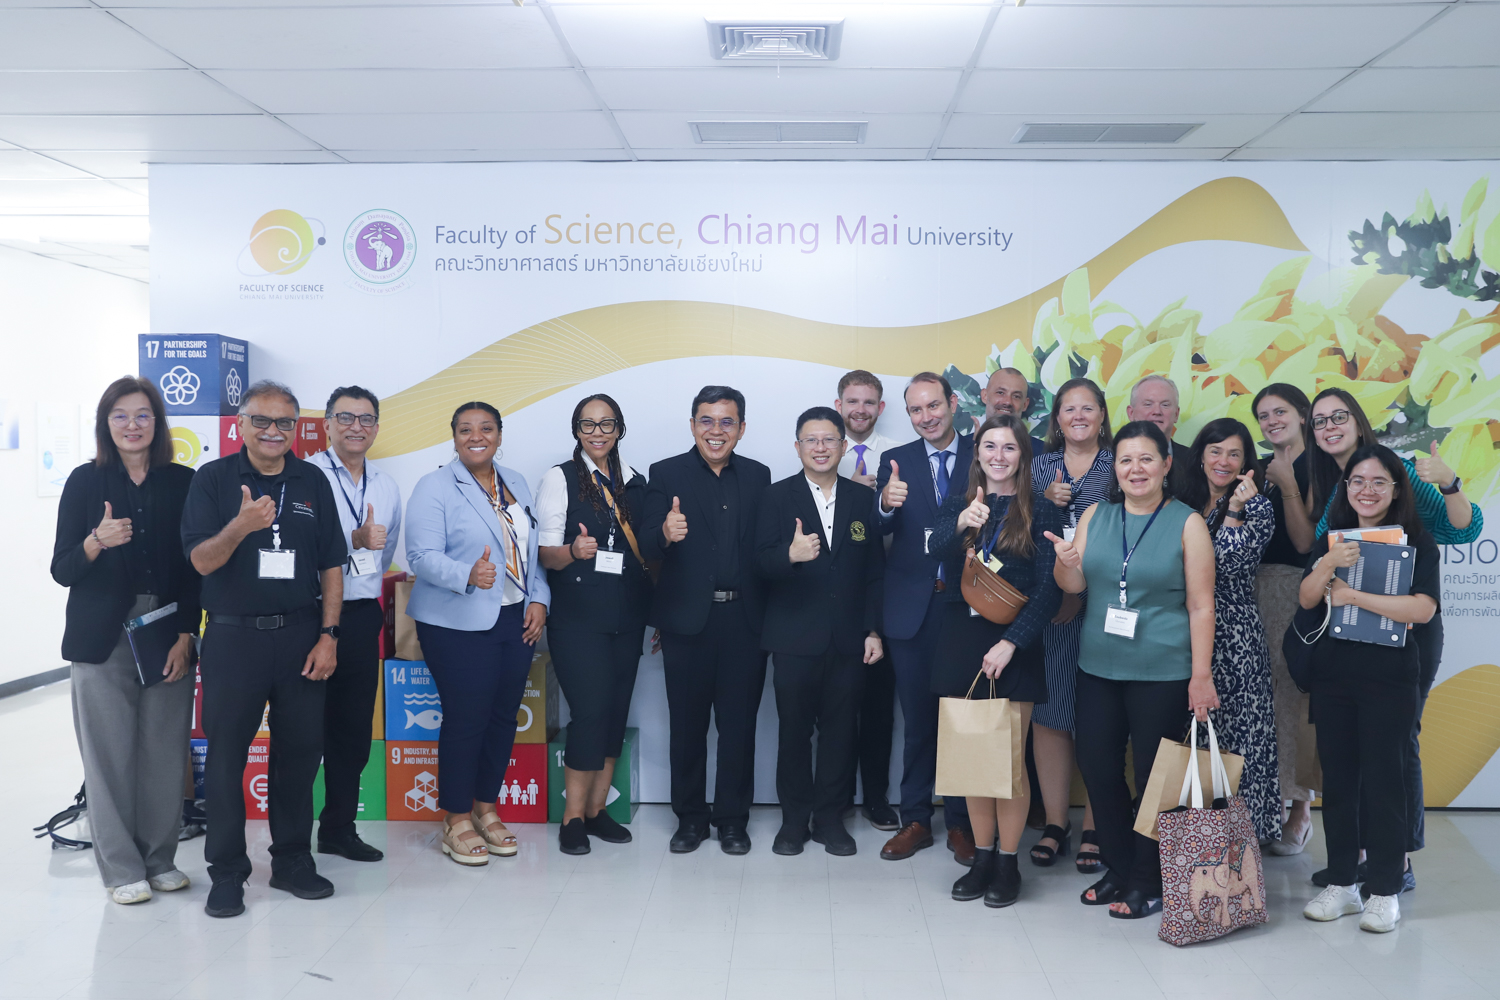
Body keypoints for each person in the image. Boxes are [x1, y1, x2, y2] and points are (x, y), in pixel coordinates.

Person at [181, 381, 348, 918]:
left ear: (296, 427)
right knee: (226, 759)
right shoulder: (212, 479)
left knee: (298, 754)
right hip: (233, 639)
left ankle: (293, 860)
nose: (273, 432)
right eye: (261, 421)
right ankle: (228, 871)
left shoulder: (312, 480)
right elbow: (201, 561)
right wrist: (241, 526)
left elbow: (331, 564)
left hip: (301, 635)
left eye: (285, 423)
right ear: (241, 424)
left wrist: (329, 634)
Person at [1305, 387, 1481, 887]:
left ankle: (1397, 861)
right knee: (1360, 750)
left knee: (1398, 745)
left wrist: (1449, 482)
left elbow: (1463, 529)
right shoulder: (1340, 487)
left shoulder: (1399, 472)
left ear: (1358, 420)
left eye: (1338, 416)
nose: (1329, 427)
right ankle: (1364, 855)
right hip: (1355, 639)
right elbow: (1322, 552)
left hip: (1408, 633)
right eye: (1319, 421)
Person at [1047, 420, 1219, 919]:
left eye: (1146, 458)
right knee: (1098, 768)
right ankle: (1119, 868)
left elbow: (1201, 606)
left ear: (1166, 465)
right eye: (1126, 459)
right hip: (1098, 665)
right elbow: (1074, 585)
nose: (1135, 469)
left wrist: (1201, 675)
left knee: (1154, 778)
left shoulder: (1187, 522)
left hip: (1163, 670)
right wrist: (1064, 561)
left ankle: (1149, 878)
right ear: (1114, 467)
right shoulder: (1096, 515)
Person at [51, 377, 200, 905]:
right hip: (102, 635)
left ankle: (159, 860)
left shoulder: (184, 482)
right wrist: (97, 540)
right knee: (108, 755)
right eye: (120, 415)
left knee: (164, 750)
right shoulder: (84, 482)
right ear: (105, 424)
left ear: (158, 423)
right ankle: (120, 869)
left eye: (142, 415)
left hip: (166, 629)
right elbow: (62, 569)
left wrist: (187, 633)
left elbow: (195, 568)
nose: (132, 425)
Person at [1300, 445, 1438, 934]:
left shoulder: (1417, 541)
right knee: (1338, 784)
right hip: (1334, 675)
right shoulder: (1332, 539)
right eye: (1357, 481)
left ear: (1396, 490)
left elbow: (1423, 609)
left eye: (1379, 482)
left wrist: (1354, 596)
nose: (1367, 490)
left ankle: (1384, 891)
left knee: (1385, 784)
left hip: (1390, 677)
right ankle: (1342, 883)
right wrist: (1327, 565)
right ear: (1346, 488)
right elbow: (1307, 599)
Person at [404, 402, 550, 866]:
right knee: (467, 717)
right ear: (454, 438)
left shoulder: (516, 483)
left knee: (504, 716)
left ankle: (486, 808)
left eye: (486, 428)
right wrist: (466, 573)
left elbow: (532, 553)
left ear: (500, 436)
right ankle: (456, 818)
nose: (476, 436)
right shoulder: (434, 486)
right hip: (455, 621)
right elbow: (420, 556)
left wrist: (539, 599)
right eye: (465, 429)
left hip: (514, 618)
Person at [930, 415, 1062, 906]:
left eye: (1009, 447)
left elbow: (1049, 590)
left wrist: (1012, 643)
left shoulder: (1041, 509)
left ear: (1022, 455)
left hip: (1013, 644)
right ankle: (981, 857)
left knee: (1007, 763)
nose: (998, 456)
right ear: (978, 453)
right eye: (989, 446)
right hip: (962, 638)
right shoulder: (959, 503)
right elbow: (933, 551)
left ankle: (1008, 862)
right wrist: (962, 523)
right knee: (973, 762)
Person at [641, 386, 771, 855]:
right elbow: (646, 544)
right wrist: (664, 532)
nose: (716, 431)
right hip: (686, 622)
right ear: (693, 424)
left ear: (741, 428)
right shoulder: (665, 472)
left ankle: (732, 821)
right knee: (687, 727)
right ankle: (690, 819)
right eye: (707, 420)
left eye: (727, 421)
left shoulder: (758, 475)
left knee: (738, 728)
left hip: (745, 621)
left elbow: (764, 547)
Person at [757, 406, 884, 856]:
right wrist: (788, 556)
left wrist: (873, 630)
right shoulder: (774, 497)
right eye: (811, 440)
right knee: (793, 733)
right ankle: (793, 822)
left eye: (829, 439)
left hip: (849, 639)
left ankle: (830, 819)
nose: (820, 447)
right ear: (797, 447)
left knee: (840, 733)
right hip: (793, 637)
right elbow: (758, 563)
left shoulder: (862, 499)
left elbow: (874, 571)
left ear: (844, 446)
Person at [537, 394, 651, 855]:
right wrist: (573, 551)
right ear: (576, 430)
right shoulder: (559, 478)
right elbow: (545, 555)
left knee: (615, 713)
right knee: (589, 713)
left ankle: (598, 811)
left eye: (607, 424)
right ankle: (572, 818)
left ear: (619, 429)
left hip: (628, 616)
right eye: (588, 424)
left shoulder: (635, 481)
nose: (598, 432)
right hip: (578, 619)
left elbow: (648, 554)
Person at [874, 372, 974, 863]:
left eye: (933, 405)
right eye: (916, 410)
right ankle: (915, 818)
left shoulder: (984, 452)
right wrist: (884, 505)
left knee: (961, 721)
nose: (926, 417)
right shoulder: (897, 461)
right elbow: (878, 528)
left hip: (967, 607)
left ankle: (962, 822)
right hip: (911, 609)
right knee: (917, 722)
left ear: (952, 403)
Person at [1181, 418, 1281, 843]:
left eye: (1234, 454)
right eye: (1216, 451)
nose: (1223, 461)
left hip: (1235, 637)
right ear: (1201, 456)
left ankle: (1241, 846)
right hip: (1184, 632)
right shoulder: (1183, 501)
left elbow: (1231, 561)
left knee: (1240, 741)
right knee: (1194, 739)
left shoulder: (1258, 505)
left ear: (1246, 463)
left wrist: (1237, 510)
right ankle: (1197, 842)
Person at [313, 386, 402, 863]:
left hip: (363, 616)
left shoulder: (385, 486)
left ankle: (338, 830)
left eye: (366, 419)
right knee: (303, 731)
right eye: (345, 417)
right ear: (327, 423)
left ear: (377, 428)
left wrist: (364, 550)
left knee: (352, 732)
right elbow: (301, 548)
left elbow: (385, 555)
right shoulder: (306, 477)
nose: (356, 427)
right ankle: (291, 841)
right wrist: (355, 539)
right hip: (310, 618)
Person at [1029, 377, 1112, 873]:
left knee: (1101, 719)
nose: (1078, 416)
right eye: (1068, 409)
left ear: (1102, 415)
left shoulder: (1121, 463)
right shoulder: (1038, 466)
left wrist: (1079, 594)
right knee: (1050, 714)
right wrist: (1042, 498)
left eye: (1087, 408)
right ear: (1056, 419)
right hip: (1051, 609)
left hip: (1107, 608)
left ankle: (1097, 827)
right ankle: (1056, 823)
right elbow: (1016, 527)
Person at [1251, 384, 1318, 855]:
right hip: (1252, 591)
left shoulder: (1320, 464)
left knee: (1297, 698)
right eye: (1263, 415)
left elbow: (1303, 542)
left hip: (1300, 589)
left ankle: (1301, 810)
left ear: (1303, 415)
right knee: (1262, 702)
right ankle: (1267, 804)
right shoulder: (1256, 468)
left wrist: (1289, 483)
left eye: (1280, 412)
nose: (1272, 421)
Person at [833, 369, 899, 831]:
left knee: (878, 707)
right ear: (839, 404)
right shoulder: (822, 450)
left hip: (886, 594)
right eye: (852, 401)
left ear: (880, 407)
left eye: (868, 402)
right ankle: (834, 797)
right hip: (834, 599)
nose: (860, 410)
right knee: (835, 706)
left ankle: (876, 798)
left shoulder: (898, 456)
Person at [1126, 374, 1191, 498]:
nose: (1157, 411)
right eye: (1148, 404)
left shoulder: (1193, 459)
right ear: (1131, 413)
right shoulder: (1111, 459)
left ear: (1176, 414)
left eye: (1165, 405)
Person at [979, 367, 1048, 454]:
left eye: (1016, 396)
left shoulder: (1044, 454)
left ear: (1025, 404)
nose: (1008, 402)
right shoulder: (963, 448)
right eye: (1000, 393)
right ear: (985, 396)